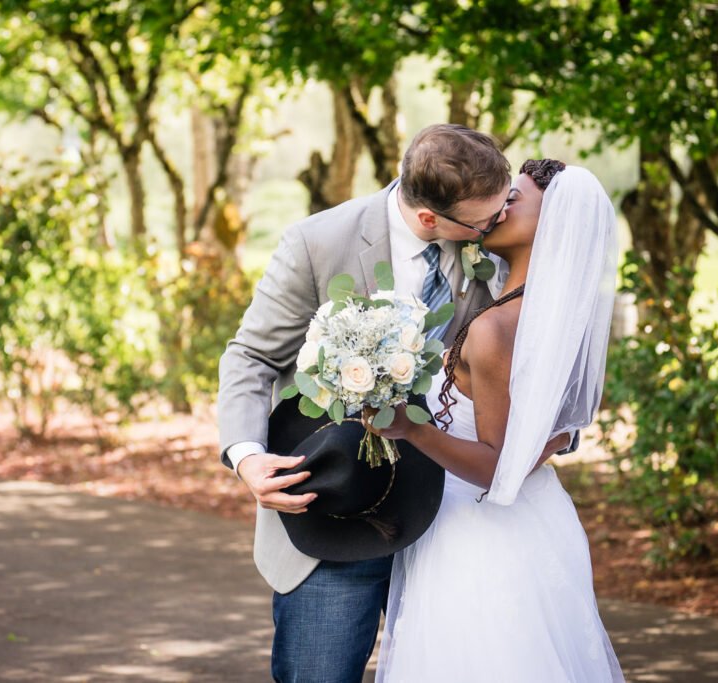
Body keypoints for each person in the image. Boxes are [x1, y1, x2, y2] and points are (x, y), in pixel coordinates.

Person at [218, 124, 522, 681]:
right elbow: (251, 357)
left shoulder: (498, 247)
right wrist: (245, 455)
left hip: (456, 518)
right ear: (430, 217)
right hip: (340, 509)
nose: (498, 224)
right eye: (484, 220)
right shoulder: (316, 243)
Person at [370, 160, 625, 681]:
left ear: (551, 222)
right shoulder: (539, 313)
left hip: (481, 537)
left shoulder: (498, 327)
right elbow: (546, 431)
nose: (495, 208)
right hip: (538, 522)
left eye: (513, 200)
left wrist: (409, 426)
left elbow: (497, 467)